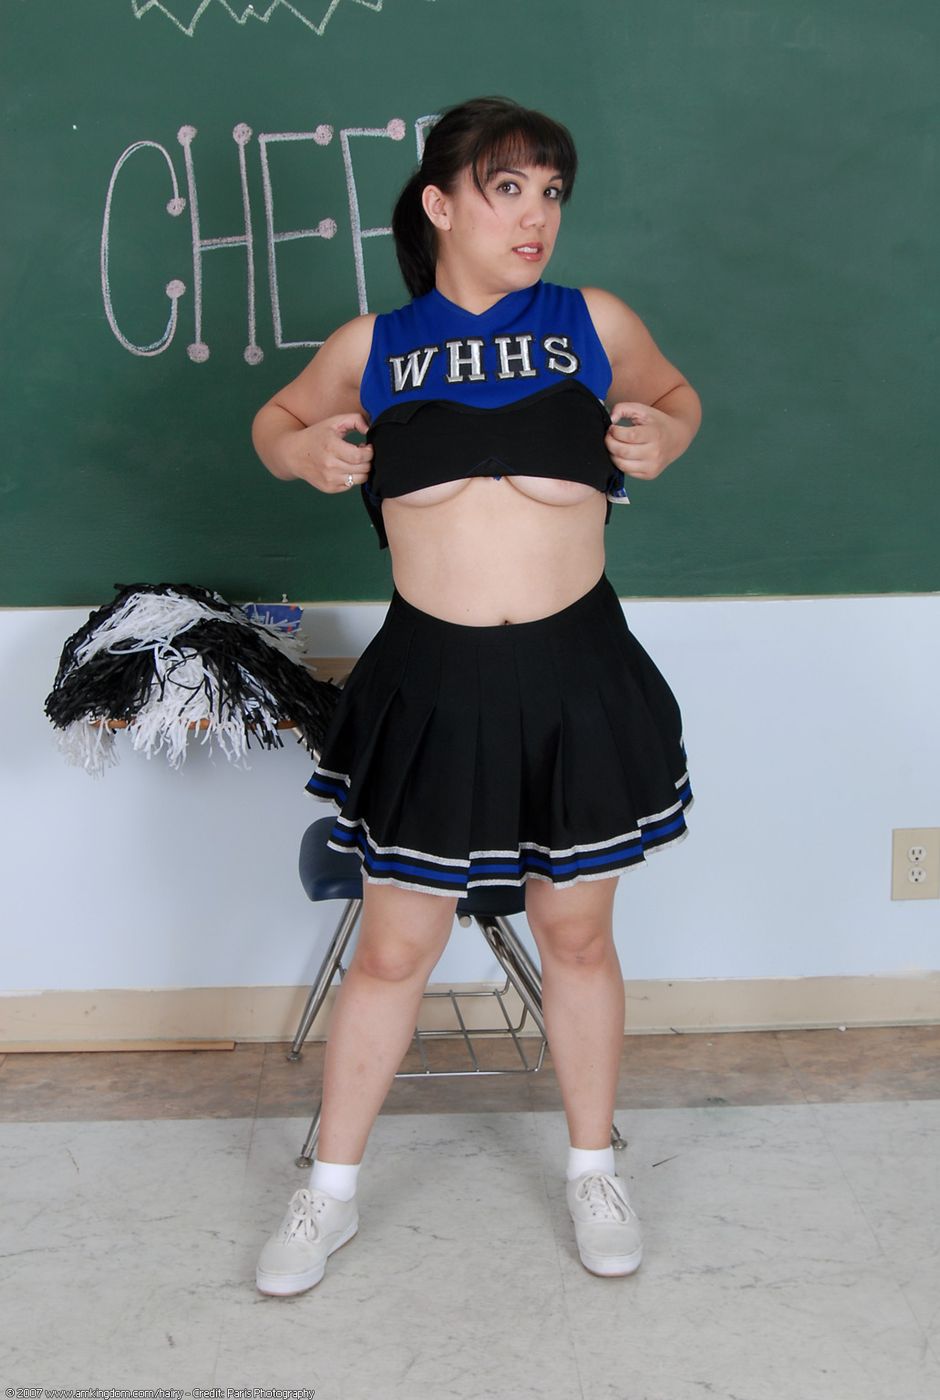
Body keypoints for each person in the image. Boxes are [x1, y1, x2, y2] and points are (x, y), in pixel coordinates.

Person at [251, 96, 701, 1296]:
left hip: (575, 669)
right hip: (431, 679)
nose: (536, 214)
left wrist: (662, 433)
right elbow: (275, 423)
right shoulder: (374, 344)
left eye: (551, 192)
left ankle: (593, 1168)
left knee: (577, 934)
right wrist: (304, 451)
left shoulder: (593, 321)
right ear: (440, 205)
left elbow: (675, 398)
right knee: (393, 947)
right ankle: (329, 1190)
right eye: (508, 189)